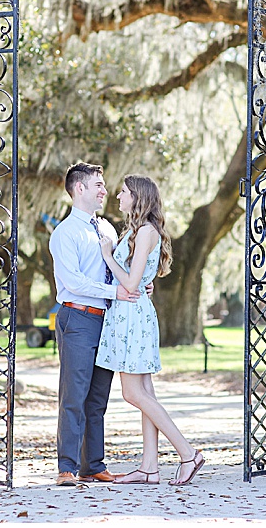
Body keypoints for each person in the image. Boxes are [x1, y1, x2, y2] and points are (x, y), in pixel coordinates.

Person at [95, 175, 205, 486]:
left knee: (132, 393)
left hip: (133, 317)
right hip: (130, 313)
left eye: (124, 192)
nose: (117, 195)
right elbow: (138, 279)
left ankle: (188, 454)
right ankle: (149, 469)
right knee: (144, 394)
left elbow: (129, 283)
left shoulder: (145, 232)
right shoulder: (135, 230)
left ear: (138, 197)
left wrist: (107, 256)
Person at [48, 162, 144, 487]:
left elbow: (118, 268)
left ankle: (93, 465)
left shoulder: (107, 229)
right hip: (78, 317)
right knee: (73, 394)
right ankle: (67, 467)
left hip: (108, 321)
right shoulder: (65, 233)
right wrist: (113, 291)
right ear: (79, 189)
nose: (105, 190)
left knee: (98, 398)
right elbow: (72, 282)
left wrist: (138, 284)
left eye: (104, 185)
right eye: (98, 185)